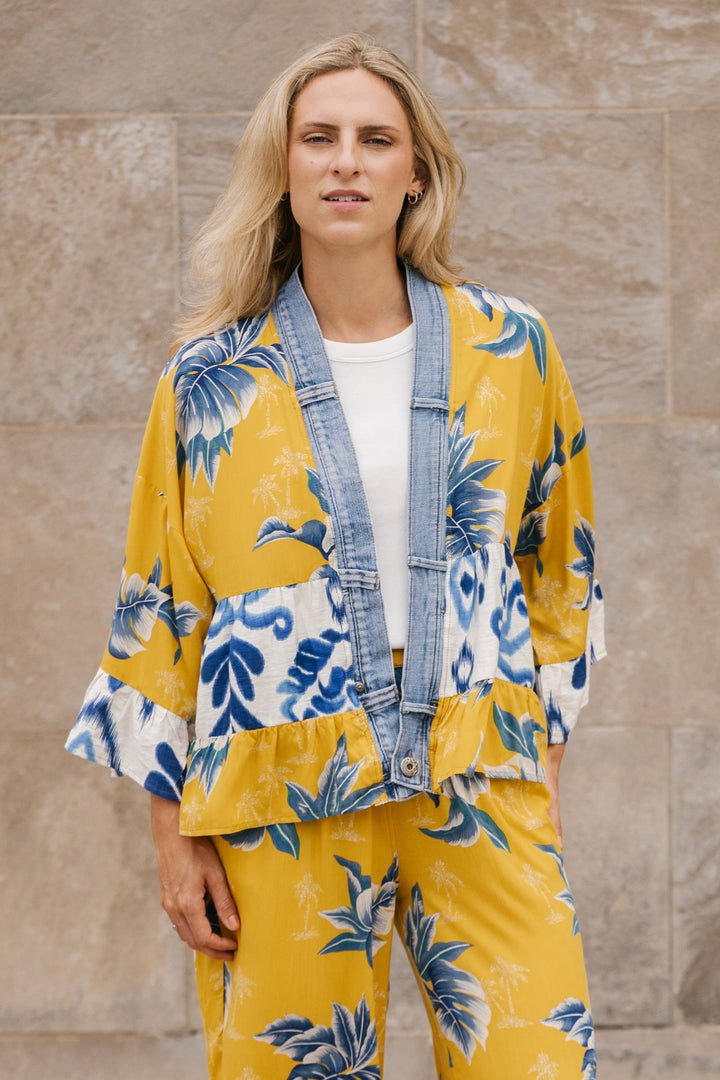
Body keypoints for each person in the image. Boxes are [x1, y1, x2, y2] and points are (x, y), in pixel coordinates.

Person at [66, 32, 605, 1080]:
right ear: (282, 167)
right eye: (318, 138)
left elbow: (561, 565)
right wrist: (173, 836)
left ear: (418, 173)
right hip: (281, 779)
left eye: (375, 139)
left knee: (535, 1058)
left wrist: (539, 754)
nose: (346, 161)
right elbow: (163, 608)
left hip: (477, 769)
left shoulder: (512, 349)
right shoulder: (210, 380)